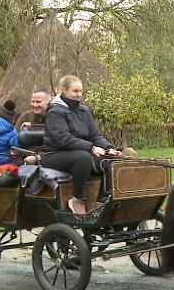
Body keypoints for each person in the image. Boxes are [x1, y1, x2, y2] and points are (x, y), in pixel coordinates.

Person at [40, 75, 121, 215]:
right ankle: (77, 198)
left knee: (110, 161)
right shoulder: (55, 112)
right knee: (83, 157)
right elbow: (64, 139)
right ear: (64, 90)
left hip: (80, 151)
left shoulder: (84, 111)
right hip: (54, 154)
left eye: (81, 91)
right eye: (75, 91)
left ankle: (102, 201)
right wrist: (92, 148)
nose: (79, 95)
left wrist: (108, 148)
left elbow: (95, 135)